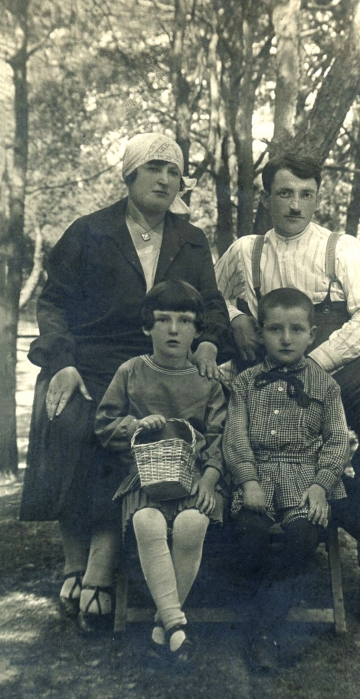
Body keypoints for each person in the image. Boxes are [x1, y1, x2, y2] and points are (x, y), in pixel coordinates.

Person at [215, 153, 360, 640]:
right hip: (287, 361)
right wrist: (235, 314)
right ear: (267, 197)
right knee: (281, 450)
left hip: (357, 360)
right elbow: (212, 296)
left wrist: (315, 363)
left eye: (306, 194)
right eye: (284, 193)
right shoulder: (245, 251)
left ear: (318, 196)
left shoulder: (343, 249)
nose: (295, 205)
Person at [20, 132, 231, 632]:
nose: (164, 178)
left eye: (174, 171)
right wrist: (63, 361)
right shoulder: (90, 231)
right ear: (129, 174)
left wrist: (209, 343)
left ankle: (104, 562)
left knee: (155, 431)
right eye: (154, 167)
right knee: (74, 419)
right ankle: (80, 562)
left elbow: (213, 306)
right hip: (91, 358)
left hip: (161, 360)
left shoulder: (192, 238)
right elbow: (52, 304)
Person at [95, 280, 227, 667]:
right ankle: (174, 625)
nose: (173, 329)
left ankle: (165, 625)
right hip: (145, 477)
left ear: (197, 330)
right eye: (163, 320)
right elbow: (104, 424)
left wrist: (211, 477)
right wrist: (135, 425)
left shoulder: (206, 379)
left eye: (185, 321)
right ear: (145, 327)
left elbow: (221, 435)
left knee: (191, 524)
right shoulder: (132, 372)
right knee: (147, 521)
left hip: (195, 476)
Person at [223, 288, 349, 670]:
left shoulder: (326, 385)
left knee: (303, 538)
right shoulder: (244, 383)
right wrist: (247, 481)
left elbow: (339, 439)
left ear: (313, 335)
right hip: (256, 475)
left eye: (296, 330)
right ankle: (258, 610)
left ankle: (264, 629)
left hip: (304, 478)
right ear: (260, 334)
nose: (286, 338)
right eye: (275, 329)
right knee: (251, 533)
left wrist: (320, 485)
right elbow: (235, 435)